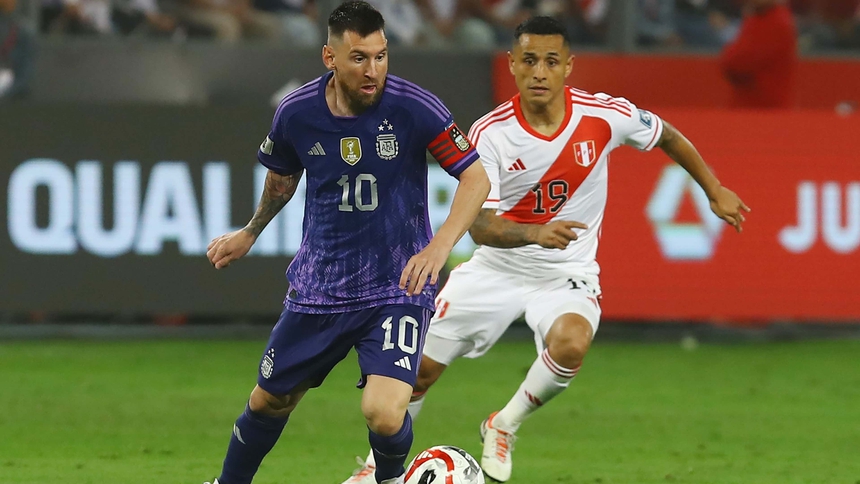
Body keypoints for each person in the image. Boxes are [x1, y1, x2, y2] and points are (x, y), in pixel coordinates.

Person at [344, 15, 750, 484]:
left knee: (573, 342)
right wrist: (534, 233)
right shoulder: (490, 134)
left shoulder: (603, 116)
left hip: (565, 273)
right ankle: (377, 469)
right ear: (513, 65)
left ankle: (503, 424)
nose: (540, 71)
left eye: (551, 61)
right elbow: (481, 227)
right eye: (530, 60)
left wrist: (713, 189)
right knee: (416, 376)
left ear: (569, 67)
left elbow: (668, 136)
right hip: (494, 269)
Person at [203, 2, 490, 484]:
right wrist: (250, 231)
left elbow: (475, 178)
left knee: (383, 412)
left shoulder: (414, 106)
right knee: (270, 399)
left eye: (380, 56)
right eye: (359, 58)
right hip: (321, 287)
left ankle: (390, 480)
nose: (373, 70)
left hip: (397, 284)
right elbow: (281, 180)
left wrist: (440, 245)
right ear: (329, 58)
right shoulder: (297, 113)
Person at [720, 0, 797, 108]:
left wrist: (728, 55)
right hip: (751, 108)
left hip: (764, 111)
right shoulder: (757, 18)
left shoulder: (775, 21)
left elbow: (736, 63)